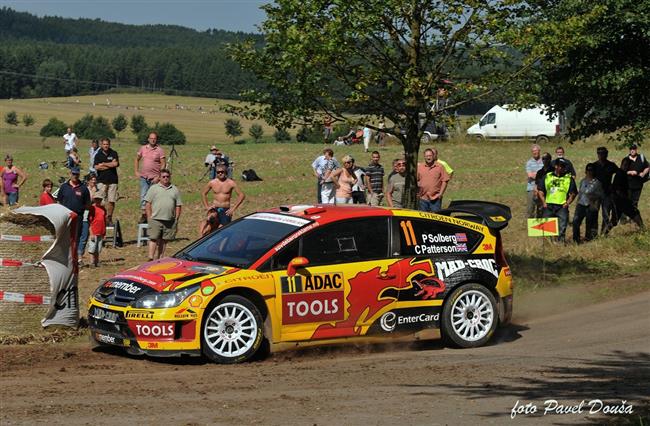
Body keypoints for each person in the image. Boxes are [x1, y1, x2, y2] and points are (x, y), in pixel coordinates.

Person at [144, 169, 182, 260]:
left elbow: (178, 205)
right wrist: (149, 216)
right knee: (153, 238)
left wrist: (176, 218)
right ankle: (150, 257)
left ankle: (160, 257)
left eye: (167, 177)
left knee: (164, 240)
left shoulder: (174, 189)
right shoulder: (154, 188)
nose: (165, 178)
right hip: (155, 218)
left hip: (169, 219)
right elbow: (148, 203)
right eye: (163, 177)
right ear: (160, 178)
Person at [537, 158, 577, 243]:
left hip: (562, 206)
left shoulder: (568, 178)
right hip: (548, 205)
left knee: (562, 227)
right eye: (560, 166)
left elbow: (573, 193)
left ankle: (560, 244)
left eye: (564, 166)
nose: (562, 168)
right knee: (547, 227)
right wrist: (543, 202)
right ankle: (548, 243)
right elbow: (540, 190)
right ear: (556, 166)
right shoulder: (548, 176)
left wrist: (568, 203)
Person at [200, 164, 245, 236]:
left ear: (226, 172)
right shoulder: (212, 182)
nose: (220, 173)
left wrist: (233, 209)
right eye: (218, 172)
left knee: (222, 231)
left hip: (225, 210)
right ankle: (201, 241)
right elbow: (203, 193)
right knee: (207, 228)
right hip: (214, 209)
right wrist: (207, 206)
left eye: (222, 172)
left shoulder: (231, 183)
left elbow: (242, 195)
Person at [56, 167, 91, 252]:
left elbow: (87, 204)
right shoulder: (64, 187)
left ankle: (74, 256)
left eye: (77, 174)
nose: (75, 176)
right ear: (70, 174)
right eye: (73, 174)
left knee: (76, 237)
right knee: (64, 237)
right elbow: (59, 200)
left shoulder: (83, 188)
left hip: (78, 217)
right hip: (65, 216)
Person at [135, 132, 167, 223]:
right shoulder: (143, 148)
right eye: (151, 138)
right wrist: (136, 171)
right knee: (143, 195)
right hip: (144, 177)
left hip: (155, 178)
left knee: (154, 197)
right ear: (148, 139)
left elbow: (163, 163)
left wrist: (159, 176)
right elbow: (137, 159)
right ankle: (144, 214)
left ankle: (153, 215)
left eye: (154, 138)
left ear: (156, 140)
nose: (153, 140)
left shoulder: (160, 150)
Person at [590, 147, 620, 234]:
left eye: (603, 153)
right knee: (593, 213)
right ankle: (593, 233)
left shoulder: (611, 165)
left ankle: (604, 233)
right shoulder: (594, 165)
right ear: (597, 154)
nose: (601, 155)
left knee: (606, 214)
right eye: (599, 153)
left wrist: (614, 186)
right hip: (596, 193)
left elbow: (619, 174)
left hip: (607, 193)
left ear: (607, 154)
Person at [573, 164, 604, 244]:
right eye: (588, 170)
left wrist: (595, 204)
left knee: (590, 223)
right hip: (581, 204)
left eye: (591, 170)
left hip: (591, 205)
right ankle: (576, 240)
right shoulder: (582, 181)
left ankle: (589, 239)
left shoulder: (597, 183)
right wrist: (577, 203)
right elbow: (580, 193)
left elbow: (600, 195)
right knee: (576, 221)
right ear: (585, 171)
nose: (589, 172)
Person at [94, 137, 119, 225]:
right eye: (104, 144)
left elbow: (115, 164)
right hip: (101, 180)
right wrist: (110, 164)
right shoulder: (98, 155)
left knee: (111, 200)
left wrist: (104, 164)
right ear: (101, 145)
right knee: (100, 200)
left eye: (107, 144)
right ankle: (102, 216)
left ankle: (109, 217)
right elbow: (97, 167)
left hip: (113, 180)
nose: (106, 146)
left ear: (109, 144)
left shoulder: (114, 153)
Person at [417, 148, 450, 212]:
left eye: (430, 156)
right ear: (424, 156)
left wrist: (441, 194)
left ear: (433, 156)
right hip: (422, 199)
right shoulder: (420, 167)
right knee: (423, 219)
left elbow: (445, 180)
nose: (428, 158)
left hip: (435, 198)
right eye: (427, 156)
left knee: (435, 218)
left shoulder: (440, 167)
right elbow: (415, 180)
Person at [620, 144, 649, 210]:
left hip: (638, 184)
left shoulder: (641, 158)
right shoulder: (626, 159)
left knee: (635, 202)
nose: (632, 150)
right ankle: (625, 217)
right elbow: (621, 172)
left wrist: (644, 173)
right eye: (631, 149)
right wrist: (630, 172)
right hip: (628, 185)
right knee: (627, 201)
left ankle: (633, 218)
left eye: (634, 149)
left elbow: (647, 167)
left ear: (636, 150)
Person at [87, 194, 107, 267]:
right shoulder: (92, 208)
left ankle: (97, 261)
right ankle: (92, 262)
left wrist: (104, 233)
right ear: (94, 200)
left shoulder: (103, 209)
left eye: (100, 199)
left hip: (101, 231)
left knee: (98, 248)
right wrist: (91, 233)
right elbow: (89, 221)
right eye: (96, 199)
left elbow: (104, 221)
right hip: (94, 231)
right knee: (92, 247)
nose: (98, 201)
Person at [525, 144, 544, 218]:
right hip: (531, 188)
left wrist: (536, 174)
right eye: (533, 151)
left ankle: (540, 226)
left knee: (541, 208)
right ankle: (530, 226)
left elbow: (546, 174)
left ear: (539, 151)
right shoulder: (529, 163)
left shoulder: (544, 161)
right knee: (530, 208)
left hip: (542, 188)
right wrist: (540, 174)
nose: (535, 152)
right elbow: (530, 175)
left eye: (536, 151)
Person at [533, 153, 554, 218]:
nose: (544, 160)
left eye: (546, 158)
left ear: (550, 159)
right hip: (540, 195)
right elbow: (536, 184)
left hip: (551, 195)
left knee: (550, 213)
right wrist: (536, 192)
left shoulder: (554, 171)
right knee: (540, 212)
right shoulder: (539, 172)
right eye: (543, 159)